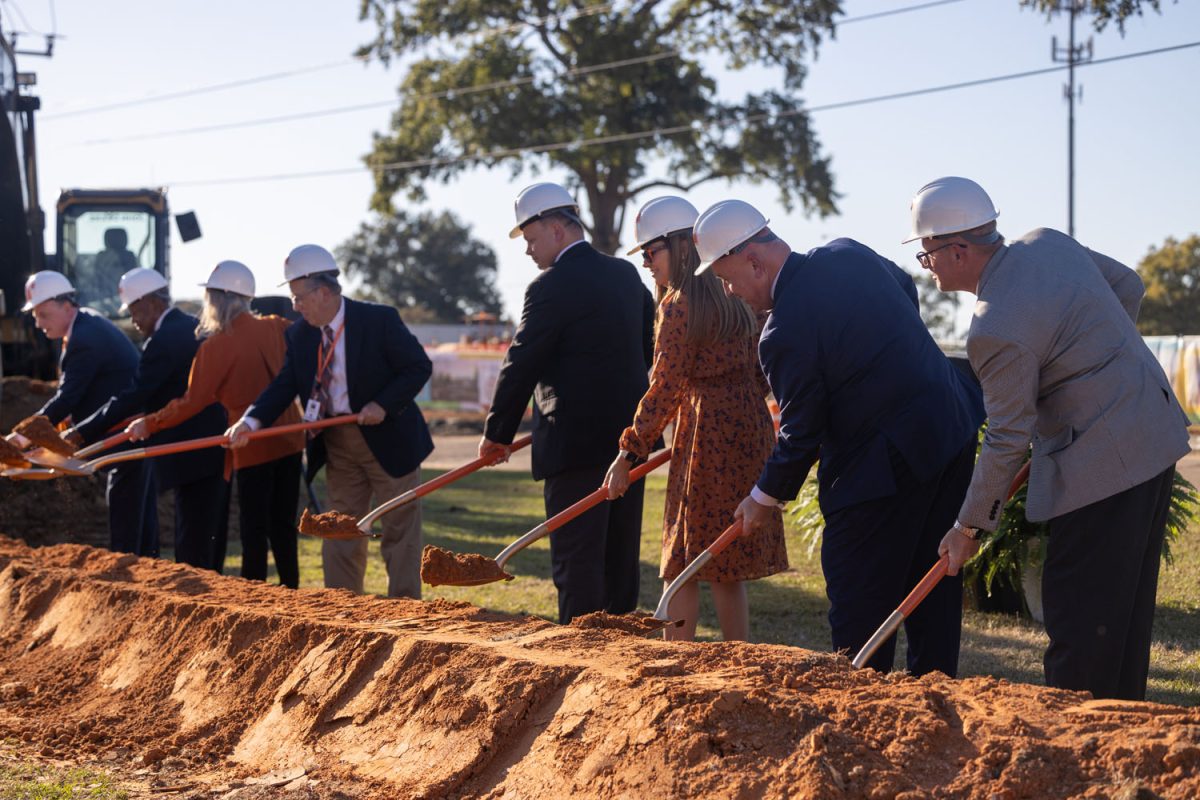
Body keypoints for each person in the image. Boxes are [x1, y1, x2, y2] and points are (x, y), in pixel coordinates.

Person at [905, 176, 1190, 700]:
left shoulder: (995, 326)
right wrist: (1101, 368)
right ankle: (1121, 740)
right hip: (1154, 427)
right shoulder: (1049, 242)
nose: (927, 266)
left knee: (1080, 626)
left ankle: (1078, 758)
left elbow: (1008, 438)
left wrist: (967, 528)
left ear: (960, 249)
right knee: (1121, 617)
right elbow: (1128, 284)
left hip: (1104, 466)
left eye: (927, 254)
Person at [694, 199, 985, 677]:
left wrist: (761, 497)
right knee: (932, 585)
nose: (730, 293)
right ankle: (937, 702)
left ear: (753, 261)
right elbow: (903, 285)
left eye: (727, 279)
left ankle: (862, 711)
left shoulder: (782, 332)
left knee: (860, 602)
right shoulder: (847, 253)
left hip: (880, 469)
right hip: (949, 430)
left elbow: (801, 431)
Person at [603, 196, 788, 641]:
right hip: (749, 431)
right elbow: (763, 369)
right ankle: (738, 655)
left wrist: (628, 451)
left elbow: (664, 386)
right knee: (724, 561)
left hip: (707, 437)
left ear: (681, 246)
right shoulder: (738, 296)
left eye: (651, 252)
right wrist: (737, 401)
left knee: (681, 557)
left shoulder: (679, 305)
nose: (647, 263)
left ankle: (676, 659)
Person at [481, 182, 656, 624]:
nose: (528, 251)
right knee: (619, 561)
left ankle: (581, 659)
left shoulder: (550, 286)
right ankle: (622, 655)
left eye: (532, 239)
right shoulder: (625, 274)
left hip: (573, 447)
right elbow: (647, 348)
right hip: (629, 445)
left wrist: (496, 434)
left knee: (578, 565)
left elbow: (521, 360)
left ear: (558, 229)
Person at [226, 245, 433, 598]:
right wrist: (250, 421)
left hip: (388, 439)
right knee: (340, 531)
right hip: (338, 444)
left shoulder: (378, 320)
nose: (295, 306)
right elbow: (284, 385)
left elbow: (417, 367)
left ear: (323, 292)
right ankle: (342, 609)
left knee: (399, 529)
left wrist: (382, 404)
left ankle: (405, 608)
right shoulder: (299, 335)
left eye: (299, 297)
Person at [126, 261, 306, 587]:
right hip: (291, 439)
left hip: (251, 444)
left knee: (254, 528)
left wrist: (150, 424)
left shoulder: (216, 347)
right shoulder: (278, 326)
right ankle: (292, 589)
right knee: (283, 524)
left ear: (217, 300)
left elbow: (191, 402)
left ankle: (255, 598)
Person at [71, 268, 228, 571]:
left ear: (151, 302)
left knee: (191, 541)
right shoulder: (190, 326)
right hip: (211, 445)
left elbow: (133, 395)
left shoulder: (163, 340)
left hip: (189, 450)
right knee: (206, 535)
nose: (133, 320)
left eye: (133, 310)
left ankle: (197, 602)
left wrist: (80, 432)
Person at [21, 270, 158, 556]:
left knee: (126, 512)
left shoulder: (84, 337)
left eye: (43, 314)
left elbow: (67, 398)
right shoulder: (84, 325)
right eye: (35, 315)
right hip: (128, 428)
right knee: (137, 514)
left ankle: (130, 573)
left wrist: (20, 439)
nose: (38, 323)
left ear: (66, 306)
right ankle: (145, 567)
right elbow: (86, 392)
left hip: (127, 431)